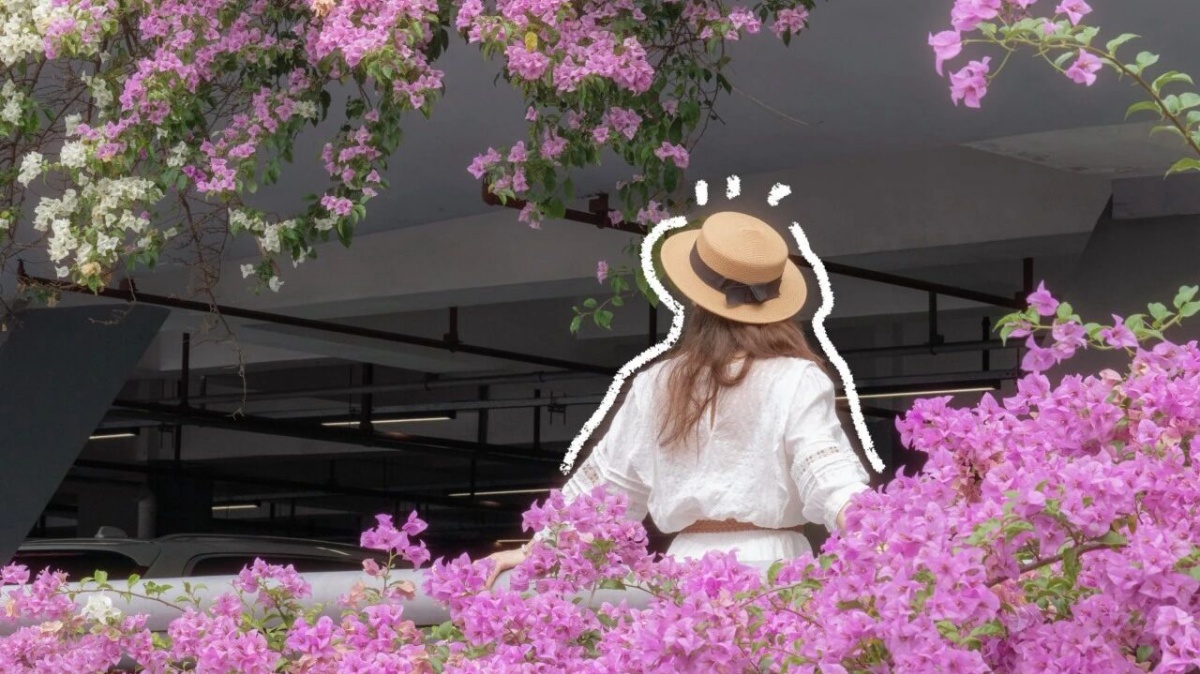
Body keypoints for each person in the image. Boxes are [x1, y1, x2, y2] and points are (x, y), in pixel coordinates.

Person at [485, 211, 871, 589]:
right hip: (774, 570)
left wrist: (538, 549)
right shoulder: (795, 377)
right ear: (776, 301)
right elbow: (830, 478)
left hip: (682, 572)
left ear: (697, 300)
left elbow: (605, 492)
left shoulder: (654, 382)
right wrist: (884, 542)